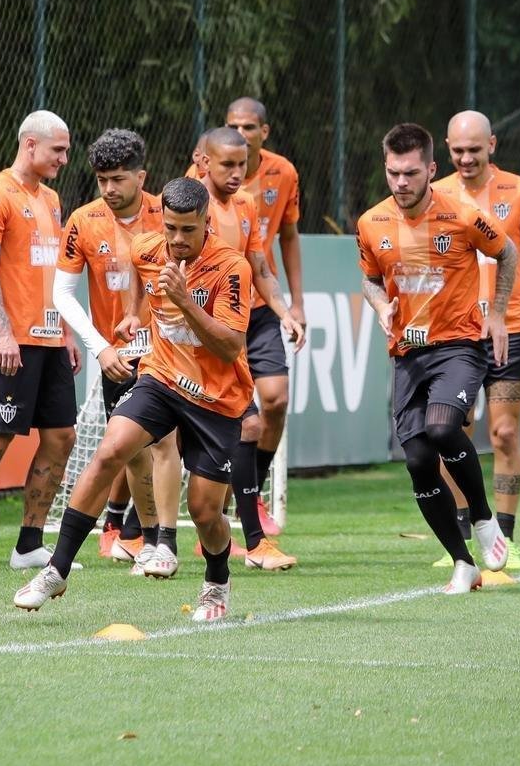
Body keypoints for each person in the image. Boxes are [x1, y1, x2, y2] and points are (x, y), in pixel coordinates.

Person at [16, 177, 252, 621]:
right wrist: (132, 315)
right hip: (161, 378)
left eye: (188, 230)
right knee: (110, 449)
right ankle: (56, 569)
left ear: (206, 223)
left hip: (217, 399)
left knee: (204, 511)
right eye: (171, 228)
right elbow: (144, 283)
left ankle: (217, 581)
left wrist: (185, 303)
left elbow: (230, 346)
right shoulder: (147, 248)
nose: (178, 240)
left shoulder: (231, 267)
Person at [356, 123, 514, 594]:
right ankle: (462, 562)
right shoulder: (371, 223)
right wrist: (380, 303)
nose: (400, 183)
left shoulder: (464, 217)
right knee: (419, 462)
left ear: (430, 169)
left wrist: (500, 313)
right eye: (392, 173)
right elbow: (368, 278)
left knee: (445, 427)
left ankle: (484, 517)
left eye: (409, 173)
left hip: (459, 347)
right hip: (407, 355)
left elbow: (506, 254)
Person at [52, 128, 182, 575]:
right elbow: (63, 294)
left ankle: (165, 541)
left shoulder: (168, 216)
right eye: (102, 179)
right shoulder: (83, 221)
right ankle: (146, 539)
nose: (110, 188)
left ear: (141, 176)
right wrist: (101, 348)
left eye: (119, 179)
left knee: (166, 440)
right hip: (117, 354)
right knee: (132, 450)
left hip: (169, 351)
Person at [431, 110, 520, 569]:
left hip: (513, 326)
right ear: (447, 148)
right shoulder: (435, 195)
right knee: (451, 431)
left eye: (475, 150)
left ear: (493, 146)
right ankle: (462, 536)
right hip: (455, 332)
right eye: (458, 150)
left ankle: (505, 537)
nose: (466, 158)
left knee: (503, 433)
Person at [0, 110, 81, 574]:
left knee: (62, 437)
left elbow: (52, 273)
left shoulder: (50, 199)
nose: (65, 159)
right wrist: (3, 332)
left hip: (50, 339)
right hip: (8, 340)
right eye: (58, 150)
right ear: (30, 144)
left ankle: (29, 543)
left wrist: (64, 330)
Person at [198, 126, 304, 571]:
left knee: (259, 417)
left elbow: (260, 264)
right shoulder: (189, 205)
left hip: (246, 323)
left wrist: (284, 310)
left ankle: (250, 536)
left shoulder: (245, 204)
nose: (237, 173)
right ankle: (141, 534)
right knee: (137, 446)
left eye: (242, 164)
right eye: (227, 164)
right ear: (202, 162)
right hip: (206, 334)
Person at [224, 97, 305, 532]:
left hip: (259, 307)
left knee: (275, 399)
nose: (240, 133)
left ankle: (249, 496)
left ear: (264, 132)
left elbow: (287, 238)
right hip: (218, 315)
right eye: (232, 126)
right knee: (233, 417)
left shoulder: (283, 173)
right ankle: (221, 511)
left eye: (249, 127)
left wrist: (296, 303)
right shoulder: (201, 177)